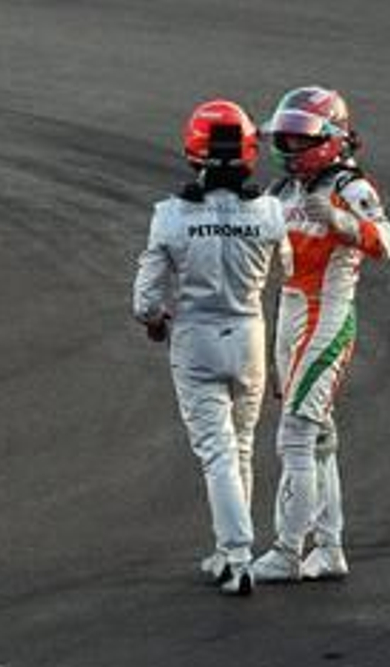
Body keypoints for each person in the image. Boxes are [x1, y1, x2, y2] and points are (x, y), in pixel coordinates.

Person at [133, 99, 291, 597]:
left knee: (216, 451)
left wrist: (156, 322)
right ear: (249, 153)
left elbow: (145, 301)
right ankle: (228, 552)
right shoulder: (270, 213)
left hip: (196, 337)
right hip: (249, 335)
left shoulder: (170, 216)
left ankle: (237, 556)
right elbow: (291, 274)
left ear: (193, 152)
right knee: (240, 445)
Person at [249, 85, 390, 584]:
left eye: (301, 138)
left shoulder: (350, 187)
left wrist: (341, 222)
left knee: (296, 433)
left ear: (330, 138)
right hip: (289, 312)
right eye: (285, 137)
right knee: (318, 435)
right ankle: (330, 548)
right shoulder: (281, 191)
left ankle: (287, 551)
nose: (289, 147)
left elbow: (388, 243)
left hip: (328, 313)